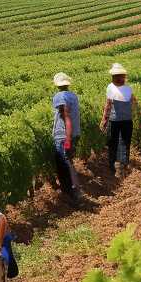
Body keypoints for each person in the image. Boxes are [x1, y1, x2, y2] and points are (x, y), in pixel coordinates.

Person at [51, 72, 85, 203]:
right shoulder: (73, 95)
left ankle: (73, 194)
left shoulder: (59, 97)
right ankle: (71, 192)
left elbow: (66, 118)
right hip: (74, 133)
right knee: (68, 162)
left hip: (64, 136)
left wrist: (67, 139)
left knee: (65, 164)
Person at [100, 63, 138, 176]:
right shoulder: (128, 89)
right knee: (125, 142)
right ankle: (122, 166)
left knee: (113, 143)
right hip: (127, 120)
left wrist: (104, 120)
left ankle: (113, 167)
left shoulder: (110, 87)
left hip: (115, 120)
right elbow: (134, 103)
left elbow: (108, 105)